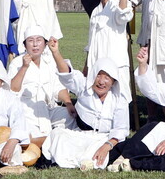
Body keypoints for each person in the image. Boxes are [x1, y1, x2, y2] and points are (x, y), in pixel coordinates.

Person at [43, 40, 129, 170]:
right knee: (57, 135)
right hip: (81, 135)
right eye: (99, 76)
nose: (101, 82)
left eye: (107, 78)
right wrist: (56, 52)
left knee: (117, 146)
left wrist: (107, 146)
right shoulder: (84, 87)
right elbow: (68, 75)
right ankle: (82, 160)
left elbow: (121, 129)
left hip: (104, 139)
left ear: (113, 81)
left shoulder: (119, 99)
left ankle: (90, 160)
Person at [6, 22, 72, 153]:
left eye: (39, 40)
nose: (35, 44)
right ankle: (53, 141)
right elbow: (12, 89)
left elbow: (57, 87)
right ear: (25, 45)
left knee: (70, 116)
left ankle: (55, 139)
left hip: (48, 109)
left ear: (45, 43)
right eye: (31, 41)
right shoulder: (16, 63)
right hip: (27, 113)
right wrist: (24, 67)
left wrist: (69, 103)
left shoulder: (49, 62)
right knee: (31, 134)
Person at [85, 0, 133, 99]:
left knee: (120, 98)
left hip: (116, 61)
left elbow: (123, 15)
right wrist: (87, 65)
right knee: (97, 97)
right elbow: (91, 41)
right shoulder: (96, 11)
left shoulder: (120, 4)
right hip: (97, 62)